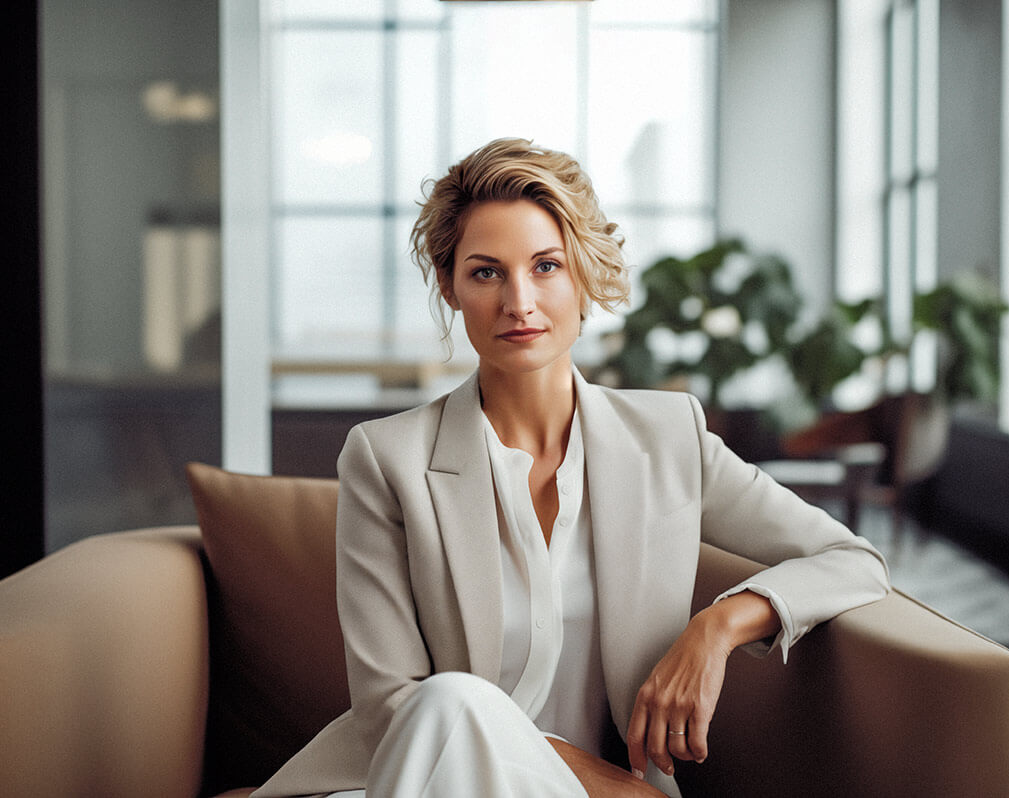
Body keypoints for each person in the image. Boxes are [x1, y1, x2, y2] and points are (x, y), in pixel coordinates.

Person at [252, 138, 889, 798]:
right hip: (441, 779)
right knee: (449, 702)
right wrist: (605, 783)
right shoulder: (388, 460)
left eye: (545, 266)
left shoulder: (670, 438)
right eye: (486, 272)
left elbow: (853, 559)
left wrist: (717, 627)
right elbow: (393, 709)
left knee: (453, 701)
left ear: (582, 273)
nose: (519, 301)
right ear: (450, 288)